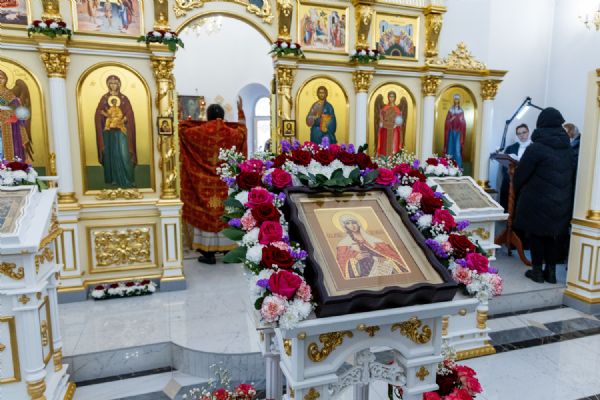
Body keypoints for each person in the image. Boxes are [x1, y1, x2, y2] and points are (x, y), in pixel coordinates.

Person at [180, 97, 247, 264]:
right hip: (224, 183)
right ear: (223, 116)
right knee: (226, 213)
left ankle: (208, 254)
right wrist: (240, 112)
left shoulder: (198, 132)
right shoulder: (232, 133)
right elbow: (243, 131)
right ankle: (228, 251)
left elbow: (181, 130)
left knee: (206, 216)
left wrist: (182, 114)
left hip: (203, 184)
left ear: (207, 116)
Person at [513, 107, 574, 284]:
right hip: (562, 201)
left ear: (541, 124)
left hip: (537, 200)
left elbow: (520, 176)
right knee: (553, 235)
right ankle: (551, 273)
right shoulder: (568, 148)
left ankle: (537, 272)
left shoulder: (536, 148)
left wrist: (519, 190)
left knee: (536, 235)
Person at [94, 75, 137, 188]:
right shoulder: (104, 98)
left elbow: (129, 113)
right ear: (108, 85)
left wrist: (123, 119)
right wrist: (104, 116)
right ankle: (113, 179)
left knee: (124, 153)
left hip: (121, 131)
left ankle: (128, 179)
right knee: (111, 154)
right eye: (111, 83)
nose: (113, 85)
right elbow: (98, 112)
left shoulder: (124, 99)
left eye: (115, 83)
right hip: (109, 132)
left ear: (119, 84)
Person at [335, 214, 409, 279]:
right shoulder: (343, 244)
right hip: (363, 275)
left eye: (354, 222)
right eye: (348, 223)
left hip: (383, 270)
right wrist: (355, 259)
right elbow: (342, 264)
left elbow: (394, 257)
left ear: (359, 223)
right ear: (345, 226)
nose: (352, 225)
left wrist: (382, 259)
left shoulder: (375, 240)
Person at [499, 123, 531, 211]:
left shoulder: (533, 147)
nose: (522, 135)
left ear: (528, 132)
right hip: (511, 178)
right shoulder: (510, 148)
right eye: (519, 133)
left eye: (524, 132)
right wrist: (511, 176)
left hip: (526, 181)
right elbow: (504, 166)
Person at [0, 69, 30, 162]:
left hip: (8, 125)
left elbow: (18, 112)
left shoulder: (9, 94)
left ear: (5, 80)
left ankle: (8, 164)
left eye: (1, 78)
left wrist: (9, 116)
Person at [376, 91, 404, 156]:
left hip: (394, 130)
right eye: (390, 96)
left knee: (394, 146)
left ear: (395, 98)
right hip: (385, 130)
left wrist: (396, 124)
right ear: (388, 97)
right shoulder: (385, 108)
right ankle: (383, 160)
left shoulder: (397, 109)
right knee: (384, 146)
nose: (391, 98)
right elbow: (381, 118)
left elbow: (399, 121)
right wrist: (382, 123)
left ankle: (393, 160)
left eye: (393, 96)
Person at [443, 94, 467, 168]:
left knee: (457, 149)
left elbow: (463, 123)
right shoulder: (450, 110)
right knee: (450, 148)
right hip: (451, 131)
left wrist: (461, 121)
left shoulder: (461, 111)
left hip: (458, 132)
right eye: (455, 99)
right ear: (453, 100)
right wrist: (451, 119)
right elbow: (447, 121)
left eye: (457, 99)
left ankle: (458, 167)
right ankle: (448, 166)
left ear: (459, 101)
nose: (456, 100)